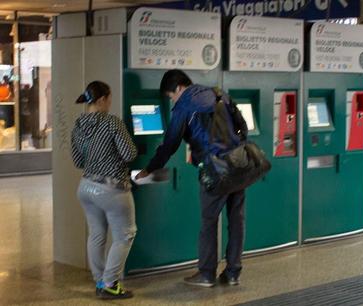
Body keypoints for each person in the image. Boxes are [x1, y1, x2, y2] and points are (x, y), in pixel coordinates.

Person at [136, 69, 248, 288]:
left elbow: (170, 143)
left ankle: (206, 273)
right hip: (238, 164)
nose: (172, 100)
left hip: (214, 169)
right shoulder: (219, 94)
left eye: (171, 96)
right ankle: (233, 273)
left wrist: (150, 168)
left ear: (178, 88)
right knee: (237, 219)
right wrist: (236, 148)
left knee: (209, 221)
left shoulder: (184, 105)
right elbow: (242, 125)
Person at [71, 81, 137, 299]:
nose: (110, 103)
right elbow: (129, 154)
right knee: (125, 235)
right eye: (109, 99)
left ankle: (100, 281)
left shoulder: (78, 124)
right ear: (101, 100)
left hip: (86, 187)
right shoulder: (112, 123)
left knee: (97, 235)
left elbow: (78, 160)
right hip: (112, 189)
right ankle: (110, 284)